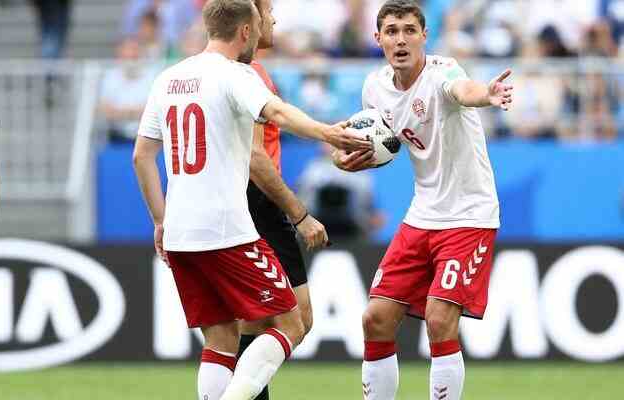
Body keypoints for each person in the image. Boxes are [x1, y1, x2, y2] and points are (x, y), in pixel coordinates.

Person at [132, 1, 370, 399]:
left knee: (221, 340)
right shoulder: (235, 75)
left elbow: (142, 156)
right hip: (228, 231)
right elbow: (277, 111)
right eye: (261, 23)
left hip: (180, 234)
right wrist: (328, 133)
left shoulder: (169, 78)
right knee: (291, 325)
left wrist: (159, 220)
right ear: (245, 31)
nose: (265, 28)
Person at [332, 1, 513, 399]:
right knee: (375, 319)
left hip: (469, 215)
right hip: (423, 214)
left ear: (424, 37)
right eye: (392, 31)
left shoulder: (443, 72)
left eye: (410, 30)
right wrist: (345, 159)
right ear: (377, 38)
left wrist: (487, 93)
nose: (401, 39)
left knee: (438, 318)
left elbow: (463, 91)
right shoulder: (373, 88)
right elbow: (369, 144)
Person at [234, 1, 327, 399]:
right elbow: (256, 157)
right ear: (250, 21)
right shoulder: (249, 75)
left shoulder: (223, 72)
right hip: (259, 204)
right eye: (268, 12)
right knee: (296, 321)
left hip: (235, 203)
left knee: (251, 325)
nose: (274, 19)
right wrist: (300, 214)